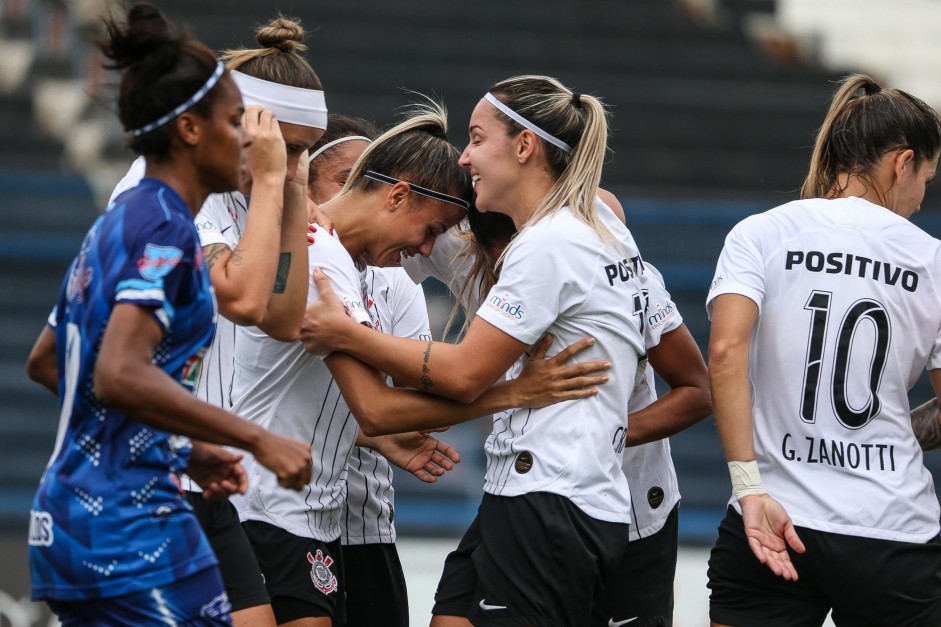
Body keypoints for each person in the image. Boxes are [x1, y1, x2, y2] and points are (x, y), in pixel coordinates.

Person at [300, 75, 648, 626]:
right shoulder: (569, 231)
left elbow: (460, 376)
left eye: (477, 138)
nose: (466, 158)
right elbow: (380, 409)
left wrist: (346, 334)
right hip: (520, 495)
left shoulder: (550, 243)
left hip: (554, 500)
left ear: (525, 147)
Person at [24, 4, 312, 625]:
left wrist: (181, 451)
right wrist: (257, 438)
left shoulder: (118, 221)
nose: (248, 138)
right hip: (126, 522)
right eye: (236, 121)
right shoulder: (165, 225)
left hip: (81, 515)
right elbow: (119, 374)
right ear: (189, 130)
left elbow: (51, 363)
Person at [400, 191, 711, 627]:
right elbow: (377, 228)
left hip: (630, 507)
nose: (507, 272)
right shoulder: (464, 245)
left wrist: (606, 431)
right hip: (518, 493)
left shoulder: (623, 276)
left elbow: (697, 391)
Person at [105, 15, 326, 627]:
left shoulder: (249, 190)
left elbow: (282, 321)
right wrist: (274, 181)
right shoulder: (163, 192)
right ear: (246, 127)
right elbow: (245, 300)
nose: (295, 160)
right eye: (291, 145)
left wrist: (293, 191)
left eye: (308, 148)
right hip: (143, 478)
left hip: (194, 468)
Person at [706, 74, 941, 627]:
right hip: (891, 530)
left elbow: (724, 354)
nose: (922, 196)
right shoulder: (931, 260)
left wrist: (748, 487)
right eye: (927, 178)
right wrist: (877, 441)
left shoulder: (759, 233)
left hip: (771, 519)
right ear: (901, 163)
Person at [307, 114, 416, 627]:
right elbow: (375, 408)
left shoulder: (398, 282)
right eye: (342, 178)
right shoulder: (300, 260)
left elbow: (416, 412)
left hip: (366, 520)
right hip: (287, 513)